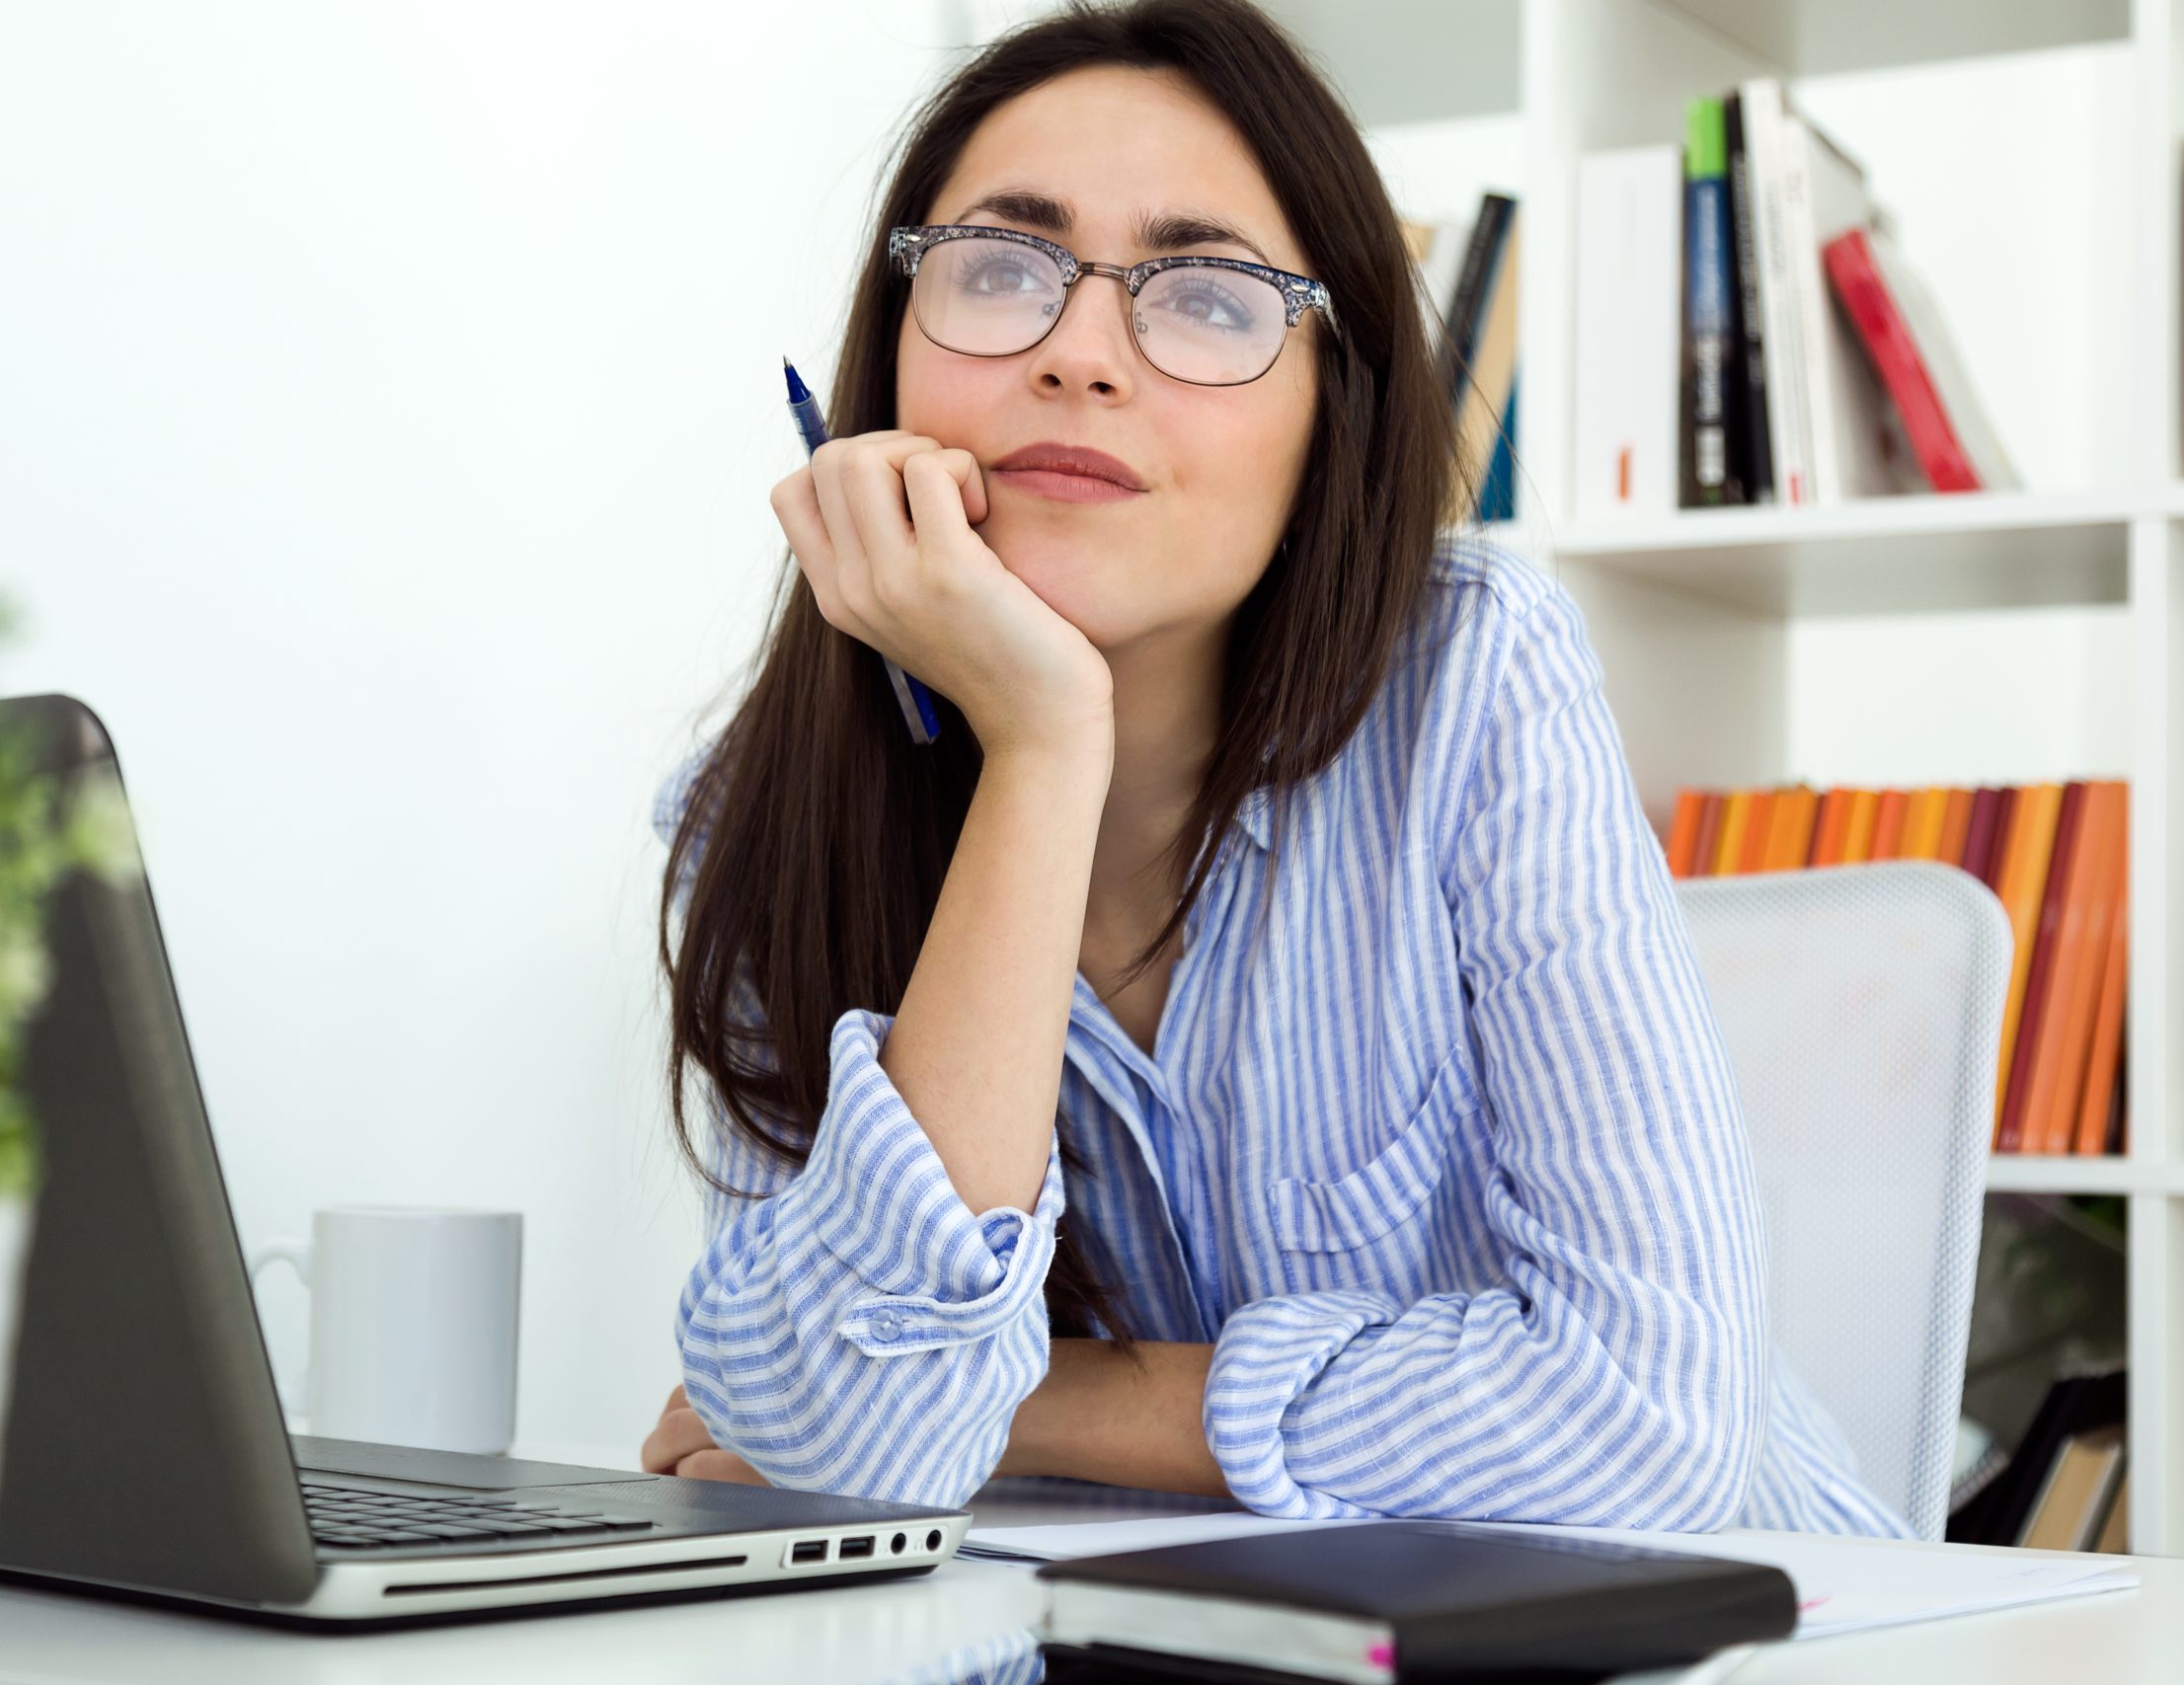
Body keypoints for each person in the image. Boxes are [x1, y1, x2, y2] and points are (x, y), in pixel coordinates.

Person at [640, 0, 1909, 1537]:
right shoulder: (759, 813)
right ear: (888, 360)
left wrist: (1038, 1399)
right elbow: (864, 1450)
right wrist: (1042, 747)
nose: (1080, 355)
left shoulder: (1475, 681)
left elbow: (1642, 1428)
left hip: (1718, 1627)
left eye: (1211, 299)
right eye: (997, 269)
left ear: (1335, 416)